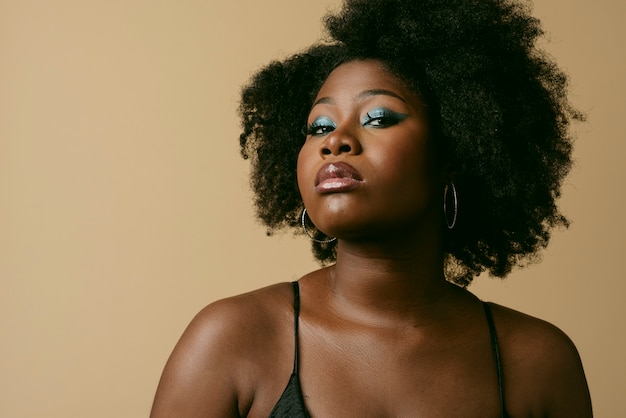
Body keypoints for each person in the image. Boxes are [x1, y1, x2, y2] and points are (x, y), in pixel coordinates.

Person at [150, 0, 592, 416]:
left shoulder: (537, 362)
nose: (334, 140)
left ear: (455, 151)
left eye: (378, 118)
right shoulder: (233, 340)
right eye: (318, 125)